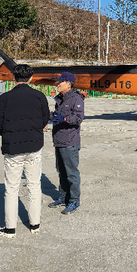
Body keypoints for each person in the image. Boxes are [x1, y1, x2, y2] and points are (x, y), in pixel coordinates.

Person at [0, 64, 50, 238]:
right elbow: (45, 118)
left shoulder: (5, 98)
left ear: (13, 78)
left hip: (13, 147)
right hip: (34, 147)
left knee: (11, 188)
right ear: (31, 78)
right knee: (34, 186)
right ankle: (35, 224)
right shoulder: (39, 97)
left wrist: (8, 133)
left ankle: (10, 228)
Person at [48, 71, 84, 215]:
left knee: (71, 173)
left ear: (68, 84)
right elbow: (57, 116)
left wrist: (65, 119)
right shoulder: (60, 99)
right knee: (61, 172)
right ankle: (63, 197)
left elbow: (78, 118)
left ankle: (74, 200)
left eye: (60, 82)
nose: (57, 84)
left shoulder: (76, 98)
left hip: (70, 142)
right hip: (59, 141)